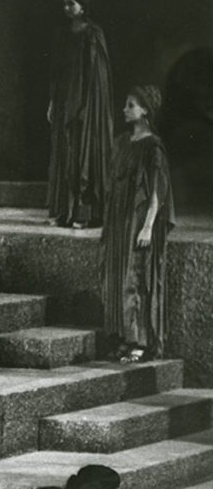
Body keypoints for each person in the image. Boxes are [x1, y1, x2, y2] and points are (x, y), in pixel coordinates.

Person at [101, 85, 175, 363]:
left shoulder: (153, 146)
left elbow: (158, 189)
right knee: (119, 275)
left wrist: (148, 226)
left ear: (145, 111)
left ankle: (140, 341)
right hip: (119, 218)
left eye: (131, 105)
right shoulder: (121, 142)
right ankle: (124, 336)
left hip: (139, 217)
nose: (125, 109)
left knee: (135, 277)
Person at [47, 0, 114, 229]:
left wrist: (87, 106)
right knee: (66, 153)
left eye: (71, 3)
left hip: (86, 102)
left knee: (82, 154)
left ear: (83, 5)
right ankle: (65, 212)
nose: (66, 8)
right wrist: (53, 101)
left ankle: (84, 213)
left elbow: (97, 77)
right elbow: (57, 72)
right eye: (64, 3)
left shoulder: (93, 35)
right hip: (65, 101)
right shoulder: (63, 34)